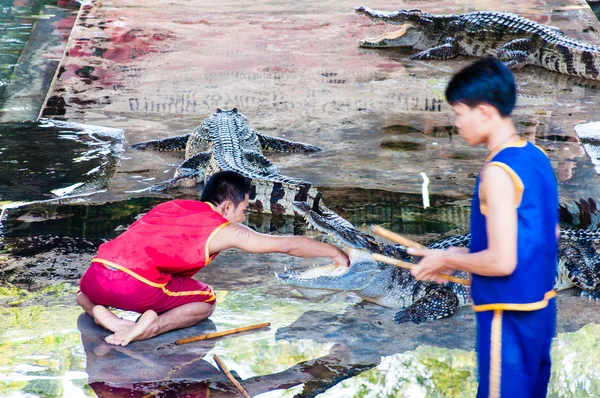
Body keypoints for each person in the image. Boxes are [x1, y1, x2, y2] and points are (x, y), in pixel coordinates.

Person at [408, 58, 559, 398]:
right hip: (540, 311)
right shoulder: (534, 156)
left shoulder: (498, 171)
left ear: (486, 112)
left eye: (459, 113)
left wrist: (449, 257)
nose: (457, 124)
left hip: (507, 318)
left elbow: (503, 262)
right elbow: (547, 236)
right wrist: (463, 254)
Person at [77, 170, 349, 346]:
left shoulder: (169, 206)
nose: (244, 217)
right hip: (136, 285)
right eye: (243, 209)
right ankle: (147, 328)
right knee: (206, 299)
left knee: (83, 295)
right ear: (228, 205)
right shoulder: (223, 228)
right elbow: (287, 245)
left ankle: (104, 317)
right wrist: (335, 252)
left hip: (95, 275)